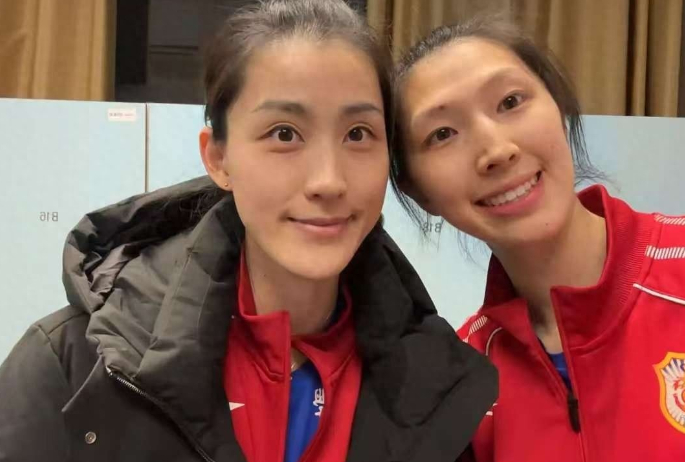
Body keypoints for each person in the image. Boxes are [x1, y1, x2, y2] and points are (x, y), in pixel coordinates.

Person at [0, 1, 497, 461]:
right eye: (284, 134)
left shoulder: (439, 391)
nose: (328, 180)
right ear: (218, 158)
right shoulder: (71, 366)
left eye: (357, 134)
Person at [391, 15, 685, 462]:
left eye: (510, 101)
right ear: (418, 192)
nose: (497, 150)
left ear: (559, 107)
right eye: (443, 134)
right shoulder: (462, 386)